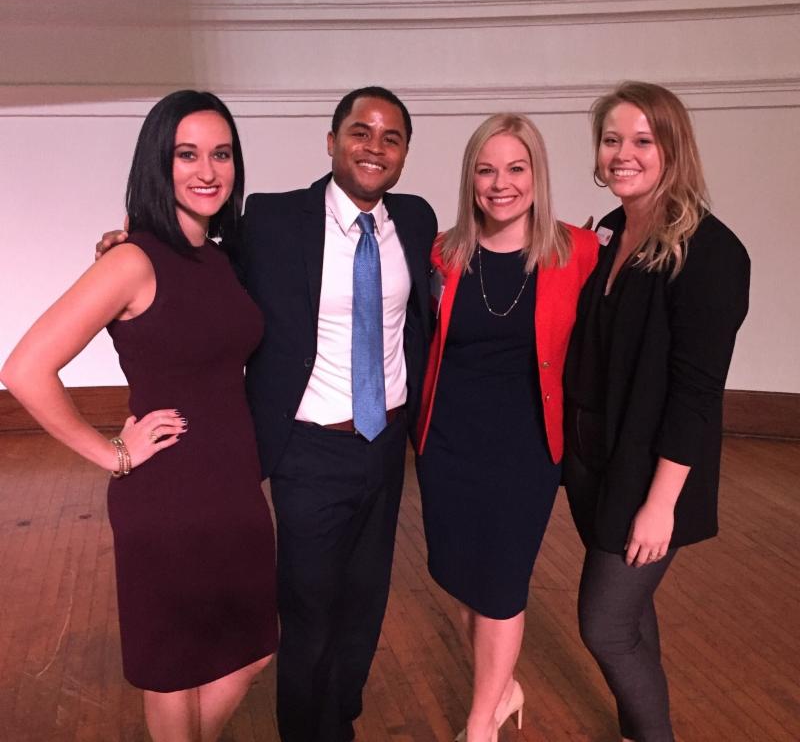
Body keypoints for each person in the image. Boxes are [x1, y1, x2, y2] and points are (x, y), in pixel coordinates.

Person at [98, 85, 437, 742]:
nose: (374, 147)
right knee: (307, 611)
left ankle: (339, 723)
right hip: (308, 448)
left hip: (385, 445)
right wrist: (132, 242)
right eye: (360, 132)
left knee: (364, 603)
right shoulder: (274, 219)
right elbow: (198, 263)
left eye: (391, 138)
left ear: (403, 154)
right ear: (332, 141)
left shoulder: (416, 220)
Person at [2, 90, 279, 742]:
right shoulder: (132, 260)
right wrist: (112, 452)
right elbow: (24, 368)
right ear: (159, 162)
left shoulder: (222, 258)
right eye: (187, 154)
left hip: (235, 488)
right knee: (175, 669)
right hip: (168, 495)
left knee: (252, 649)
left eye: (221, 154)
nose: (207, 170)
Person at [562, 82, 750, 742]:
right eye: (612, 139)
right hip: (593, 462)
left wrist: (660, 504)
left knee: (605, 625)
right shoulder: (611, 230)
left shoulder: (711, 252)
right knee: (632, 615)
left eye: (642, 140)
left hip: (648, 475)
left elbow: (696, 394)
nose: (623, 153)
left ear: (674, 148)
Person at [415, 113, 598, 742]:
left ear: (537, 175)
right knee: (462, 579)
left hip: (525, 449)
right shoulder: (444, 253)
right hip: (447, 445)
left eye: (516, 169)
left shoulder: (578, 251)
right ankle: (505, 688)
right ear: (469, 179)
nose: (501, 184)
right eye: (486, 170)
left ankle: (480, 724)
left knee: (500, 586)